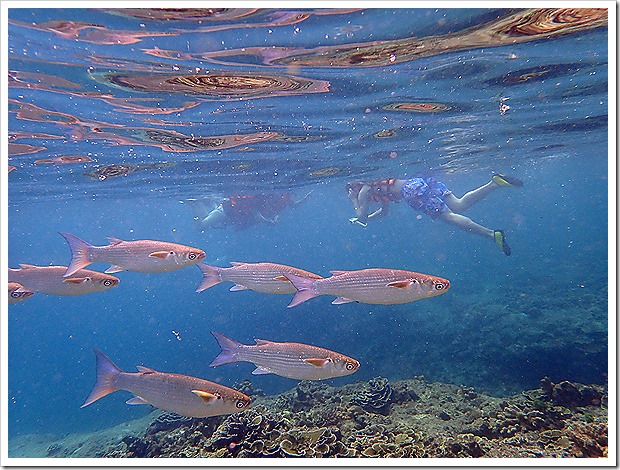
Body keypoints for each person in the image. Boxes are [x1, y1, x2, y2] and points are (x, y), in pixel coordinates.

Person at [346, 174, 523, 256]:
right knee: (459, 205)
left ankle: (492, 235)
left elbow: (361, 216)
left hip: (412, 192)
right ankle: (494, 184)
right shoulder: (375, 186)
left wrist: (354, 200)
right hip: (419, 182)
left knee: (450, 217)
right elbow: (383, 212)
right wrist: (366, 219)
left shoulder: (363, 191)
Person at [186, 191, 311, 231]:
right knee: (202, 225)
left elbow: (294, 205)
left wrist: (305, 199)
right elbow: (259, 216)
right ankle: (196, 204)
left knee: (206, 223)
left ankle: (199, 204)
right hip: (225, 212)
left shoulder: (277, 199)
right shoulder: (265, 201)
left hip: (229, 215)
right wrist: (271, 221)